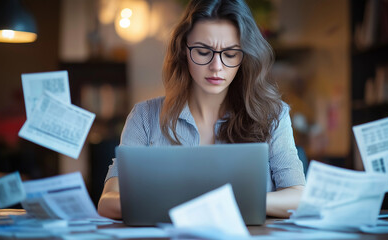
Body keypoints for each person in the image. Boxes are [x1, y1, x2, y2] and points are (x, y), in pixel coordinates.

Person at [98, 0, 305, 220]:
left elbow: (298, 198)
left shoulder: (273, 115)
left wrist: (227, 202)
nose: (216, 66)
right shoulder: (144, 117)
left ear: (245, 57)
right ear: (183, 51)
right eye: (203, 51)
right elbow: (108, 201)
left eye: (230, 54)